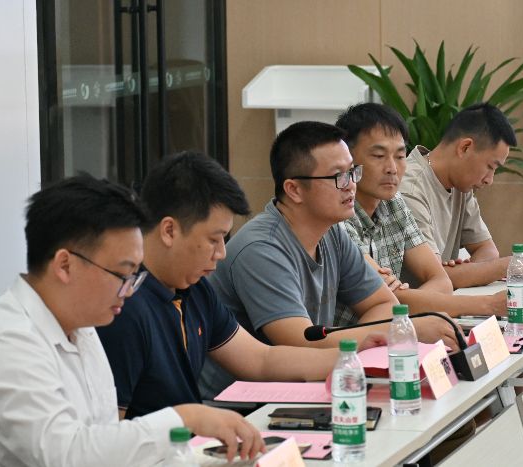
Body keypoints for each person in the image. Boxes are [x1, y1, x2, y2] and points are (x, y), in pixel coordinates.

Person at [0, 174, 262, 466]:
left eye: (134, 276)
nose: (129, 291)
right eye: (122, 274)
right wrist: (184, 418)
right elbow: (67, 456)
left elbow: (107, 439)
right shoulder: (5, 343)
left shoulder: (83, 328)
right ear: (65, 265)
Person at [97, 152, 385, 426]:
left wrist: (349, 356)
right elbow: (113, 435)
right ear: (169, 230)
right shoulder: (123, 307)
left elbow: (260, 360)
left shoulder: (195, 290)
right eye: (214, 239)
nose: (221, 253)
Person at [199, 121, 461, 400]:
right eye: (338, 177)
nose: (351, 186)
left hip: (310, 383)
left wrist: (368, 339)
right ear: (294, 190)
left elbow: (384, 304)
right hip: (242, 404)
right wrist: (400, 331)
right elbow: (300, 343)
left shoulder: (332, 232)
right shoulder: (261, 249)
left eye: (352, 172)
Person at [334, 103, 506, 321]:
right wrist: (488, 304)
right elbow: (385, 299)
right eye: (378, 156)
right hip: (348, 338)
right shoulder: (336, 216)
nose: (392, 168)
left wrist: (405, 305)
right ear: (347, 162)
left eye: (400, 156)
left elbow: (441, 281)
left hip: (390, 331)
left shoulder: (394, 203)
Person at [398, 102, 523, 289]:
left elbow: (487, 250)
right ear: (465, 147)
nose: (490, 180)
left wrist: (466, 272)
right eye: (490, 167)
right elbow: (437, 278)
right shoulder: (410, 189)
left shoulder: (460, 184)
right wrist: (514, 265)